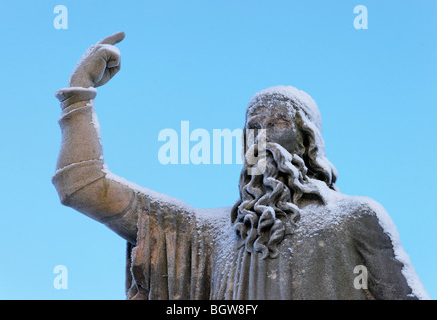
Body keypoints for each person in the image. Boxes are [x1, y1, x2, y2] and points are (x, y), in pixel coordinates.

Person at [53, 32, 429, 300]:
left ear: (308, 139)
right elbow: (83, 186)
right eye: (252, 127)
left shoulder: (354, 218)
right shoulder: (204, 234)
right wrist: (79, 96)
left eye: (278, 124)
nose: (262, 136)